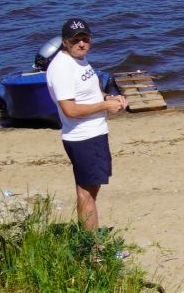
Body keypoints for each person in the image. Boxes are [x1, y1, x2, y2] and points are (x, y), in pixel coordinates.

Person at [45, 18, 127, 231]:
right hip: (83, 138)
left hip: (94, 134)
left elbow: (89, 91)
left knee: (91, 190)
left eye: (85, 39)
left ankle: (90, 244)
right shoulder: (62, 68)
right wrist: (104, 106)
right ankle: (92, 249)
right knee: (86, 193)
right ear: (65, 42)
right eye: (75, 40)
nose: (81, 44)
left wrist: (110, 98)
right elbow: (70, 110)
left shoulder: (79, 60)